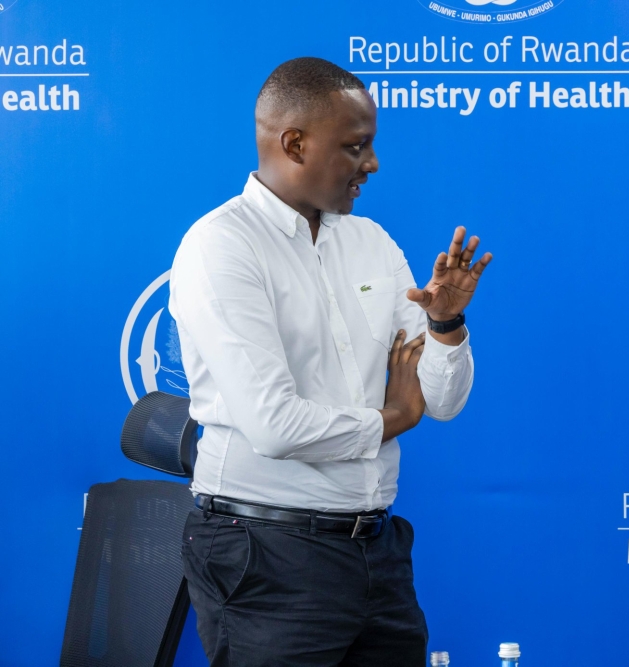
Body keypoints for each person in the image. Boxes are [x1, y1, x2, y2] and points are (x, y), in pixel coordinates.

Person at [169, 57, 491, 666]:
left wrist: (445, 326)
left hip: (377, 551)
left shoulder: (372, 242)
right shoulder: (222, 246)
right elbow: (275, 425)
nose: (373, 163)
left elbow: (441, 403)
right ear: (294, 144)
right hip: (265, 553)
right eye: (355, 146)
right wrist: (392, 418)